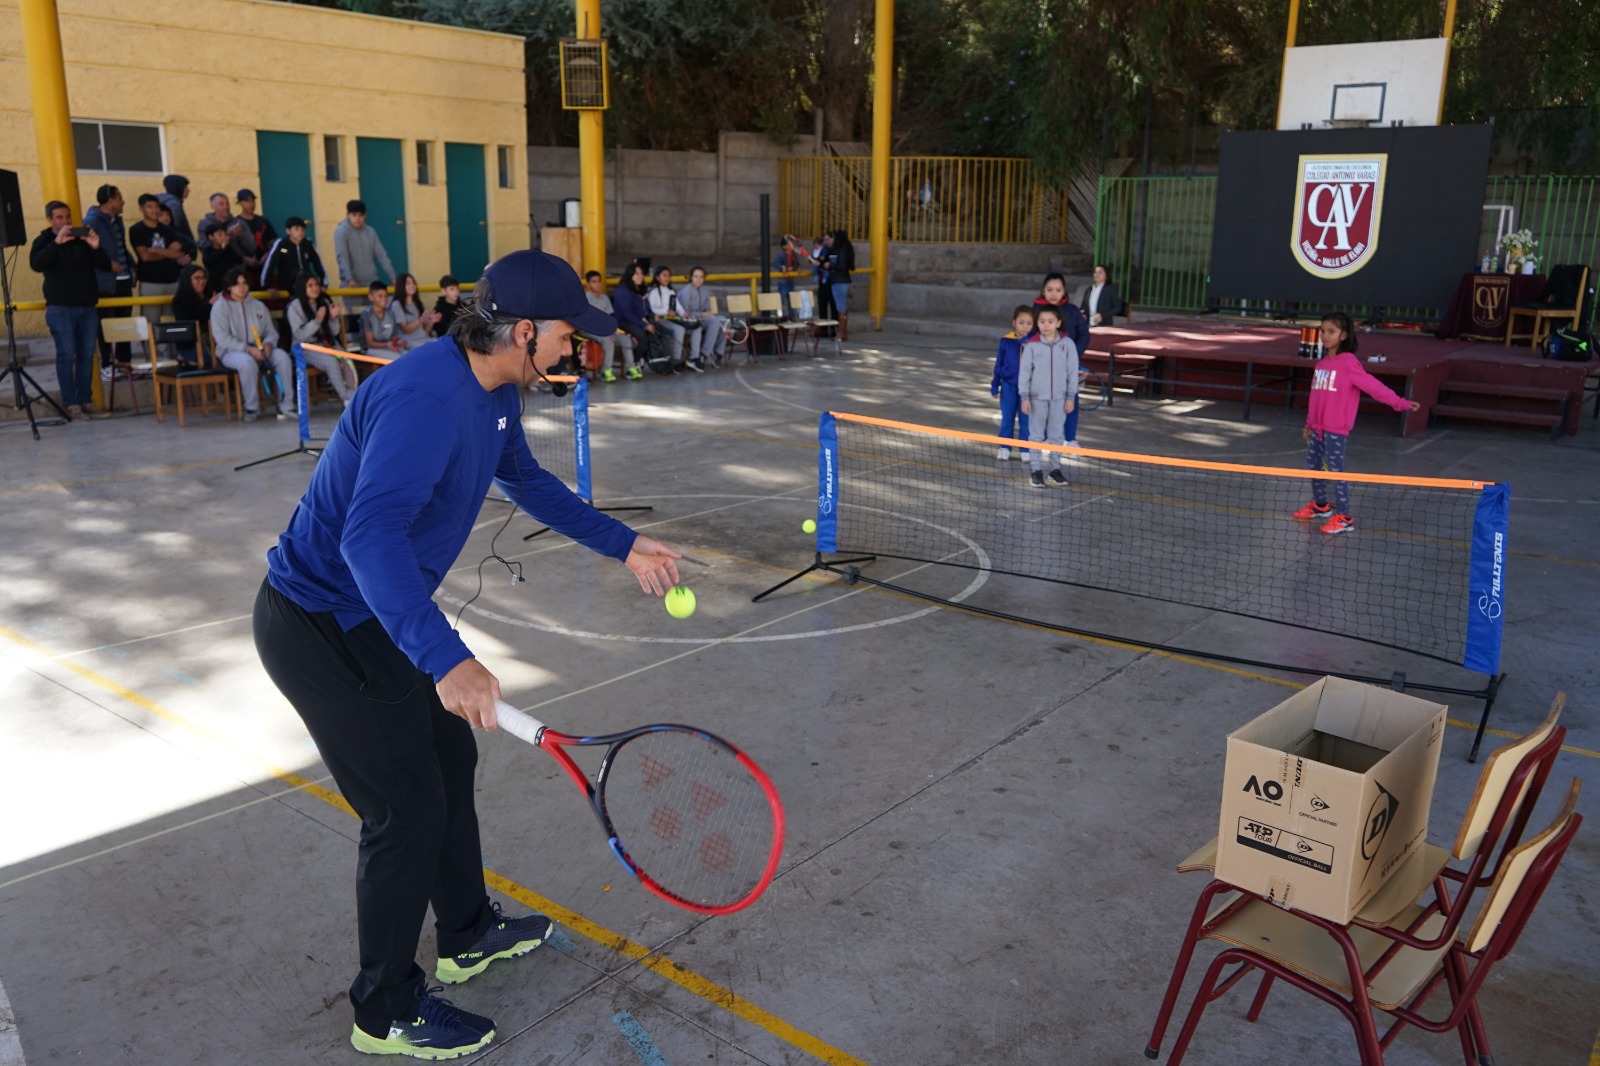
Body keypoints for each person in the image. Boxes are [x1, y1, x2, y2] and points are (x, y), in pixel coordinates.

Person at [252, 248, 683, 1060]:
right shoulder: (426, 400)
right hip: (318, 625)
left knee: (449, 758)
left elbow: (526, 480)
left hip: (371, 617)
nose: (574, 348)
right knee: (404, 809)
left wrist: (623, 545)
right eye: (565, 335)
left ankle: (467, 933)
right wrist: (448, 658)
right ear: (522, 332)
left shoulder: (489, 393)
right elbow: (368, 537)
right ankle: (383, 1010)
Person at [1293, 312, 1421, 536]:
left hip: (1336, 429)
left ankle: (1344, 517)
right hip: (1317, 428)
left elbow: (1375, 388)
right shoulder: (1321, 365)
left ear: (1343, 335)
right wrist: (1308, 424)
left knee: (1335, 470)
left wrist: (1400, 403)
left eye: (1330, 331)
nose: (1325, 335)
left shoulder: (1349, 364)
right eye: (1323, 330)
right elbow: (1315, 399)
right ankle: (1320, 505)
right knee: (1313, 464)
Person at [29, 200, 111, 420]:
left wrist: (96, 247)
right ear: (50, 219)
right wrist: (56, 243)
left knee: (87, 355)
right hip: (61, 308)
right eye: (59, 217)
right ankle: (71, 404)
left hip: (87, 306)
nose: (65, 221)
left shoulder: (82, 239)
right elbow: (36, 264)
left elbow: (104, 265)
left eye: (67, 217)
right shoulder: (44, 240)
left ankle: (86, 401)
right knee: (66, 355)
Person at [210, 266, 295, 421]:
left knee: (282, 357)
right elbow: (222, 338)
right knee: (247, 363)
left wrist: (269, 344)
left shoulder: (258, 305)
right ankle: (251, 408)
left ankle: (287, 405)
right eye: (237, 284)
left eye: (244, 283)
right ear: (229, 287)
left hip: (261, 348)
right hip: (231, 352)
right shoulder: (220, 307)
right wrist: (248, 349)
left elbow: (271, 332)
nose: (242, 287)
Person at [1018, 304, 1077, 488]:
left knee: (1057, 435)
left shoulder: (1068, 344)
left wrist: (1070, 397)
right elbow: (1025, 373)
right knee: (1035, 435)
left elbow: (1072, 372)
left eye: (1050, 321)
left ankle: (1055, 469)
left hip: (1060, 398)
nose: (1046, 325)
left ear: (1058, 323)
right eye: (1042, 321)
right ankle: (1036, 471)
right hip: (1036, 398)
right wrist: (1025, 397)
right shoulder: (1031, 345)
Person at [1032, 272, 1090, 447]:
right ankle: (1045, 437)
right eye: (1050, 289)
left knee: (1070, 401)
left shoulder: (1072, 311)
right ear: (1043, 290)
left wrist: (1073, 355)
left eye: (1058, 290)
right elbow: (1029, 338)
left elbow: (1084, 335)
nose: (1053, 293)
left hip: (1068, 366)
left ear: (1064, 291)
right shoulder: (1035, 311)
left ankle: (1070, 439)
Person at [84, 184, 135, 372]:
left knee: (123, 324)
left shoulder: (117, 221)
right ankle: (107, 365)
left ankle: (123, 363)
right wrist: (107, 264)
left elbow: (122, 247)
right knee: (105, 325)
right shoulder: (92, 220)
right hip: (105, 283)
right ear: (111, 200)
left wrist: (131, 266)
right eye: (119, 197)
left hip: (123, 281)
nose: (123, 202)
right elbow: (88, 249)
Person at [286, 272, 357, 406]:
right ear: (302, 288)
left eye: (316, 284)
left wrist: (332, 318)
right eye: (310, 286)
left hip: (325, 343)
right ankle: (345, 397)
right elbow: (300, 335)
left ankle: (353, 392)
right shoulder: (294, 307)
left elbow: (334, 331)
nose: (315, 288)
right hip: (305, 347)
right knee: (331, 362)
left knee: (345, 357)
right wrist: (318, 320)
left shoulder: (323, 302)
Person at [128, 192, 190, 334]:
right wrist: (166, 252)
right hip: (150, 282)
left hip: (172, 280)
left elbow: (176, 253)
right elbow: (145, 257)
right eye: (150, 207)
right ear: (141, 209)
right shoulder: (136, 230)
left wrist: (154, 250)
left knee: (175, 319)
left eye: (156, 207)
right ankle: (154, 353)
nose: (154, 210)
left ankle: (175, 351)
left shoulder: (167, 229)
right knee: (151, 322)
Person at [335, 199, 396, 318]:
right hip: (352, 286)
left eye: (361, 215)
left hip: (371, 284)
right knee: (356, 320)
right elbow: (342, 257)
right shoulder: (341, 231)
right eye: (354, 215)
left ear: (365, 216)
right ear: (347, 215)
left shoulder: (370, 232)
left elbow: (382, 255)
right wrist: (349, 279)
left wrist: (393, 277)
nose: (358, 218)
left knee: (375, 319)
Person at [990, 305, 1035, 461]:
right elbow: (999, 364)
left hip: (1028, 390)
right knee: (1007, 418)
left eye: (1029, 323)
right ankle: (1004, 447)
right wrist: (995, 385)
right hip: (1009, 386)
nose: (1025, 326)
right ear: (1014, 323)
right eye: (1021, 322)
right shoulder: (1006, 341)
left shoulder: (1035, 343)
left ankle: (1025, 449)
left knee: (1026, 420)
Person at [584, 270, 637, 382]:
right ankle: (605, 371)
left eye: (599, 281)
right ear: (588, 284)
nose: (597, 284)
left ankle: (630, 368)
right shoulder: (584, 299)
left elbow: (609, 318)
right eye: (594, 282)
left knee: (626, 339)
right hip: (588, 330)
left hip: (605, 330)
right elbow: (586, 321)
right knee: (608, 340)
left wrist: (611, 330)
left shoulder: (605, 298)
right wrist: (607, 332)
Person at [676, 267, 727, 368]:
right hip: (690, 320)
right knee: (714, 321)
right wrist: (702, 314)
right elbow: (685, 313)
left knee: (723, 320)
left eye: (701, 277)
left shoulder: (705, 290)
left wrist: (706, 313)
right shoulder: (686, 291)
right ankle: (703, 355)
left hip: (702, 319)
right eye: (696, 276)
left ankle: (718, 353)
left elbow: (707, 308)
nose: (698, 279)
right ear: (691, 277)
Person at [260, 216, 327, 292]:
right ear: (288, 231)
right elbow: (269, 265)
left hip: (307, 288)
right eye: (296, 229)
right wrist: (266, 286)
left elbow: (318, 264)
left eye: (302, 229)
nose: (300, 232)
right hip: (287, 288)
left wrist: (323, 284)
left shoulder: (308, 244)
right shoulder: (281, 244)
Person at [645, 265, 691, 371]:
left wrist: (683, 313)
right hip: (659, 319)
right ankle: (676, 359)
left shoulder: (671, 291)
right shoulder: (654, 292)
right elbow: (652, 308)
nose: (667, 278)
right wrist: (666, 312)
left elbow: (678, 306)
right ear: (657, 277)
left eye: (668, 276)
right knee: (679, 329)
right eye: (664, 275)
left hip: (671, 319)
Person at [169, 263, 214, 365]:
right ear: (188, 281)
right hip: (190, 345)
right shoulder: (180, 301)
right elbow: (190, 322)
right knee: (215, 359)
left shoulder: (210, 295)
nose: (201, 282)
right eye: (197, 278)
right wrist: (209, 306)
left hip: (214, 340)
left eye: (203, 278)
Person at [611, 262, 654, 368]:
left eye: (641, 273)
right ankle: (635, 362)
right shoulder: (623, 291)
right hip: (622, 321)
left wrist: (647, 318)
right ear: (630, 275)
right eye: (636, 273)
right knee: (642, 336)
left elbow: (643, 307)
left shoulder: (639, 289)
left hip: (635, 319)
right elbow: (627, 314)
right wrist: (644, 325)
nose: (640, 276)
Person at [391, 272, 439, 352]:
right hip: (409, 342)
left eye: (413, 283)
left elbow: (425, 331)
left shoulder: (418, 304)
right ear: (401, 286)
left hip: (424, 339)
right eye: (408, 283)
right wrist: (421, 320)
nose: (412, 286)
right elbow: (406, 330)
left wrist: (430, 323)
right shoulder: (396, 305)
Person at [233, 189, 276, 275]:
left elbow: (274, 242)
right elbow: (232, 248)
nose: (251, 204)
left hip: (265, 266)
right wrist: (244, 259)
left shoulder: (263, 221)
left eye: (253, 201)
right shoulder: (235, 223)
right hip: (244, 269)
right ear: (240, 203)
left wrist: (268, 255)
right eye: (247, 201)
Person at [821, 231, 855, 340]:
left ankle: (842, 333)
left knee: (841, 308)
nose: (828, 241)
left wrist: (831, 265)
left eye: (830, 238)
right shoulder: (834, 250)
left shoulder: (842, 250)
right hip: (836, 281)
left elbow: (842, 265)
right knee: (841, 308)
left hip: (840, 281)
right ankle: (842, 332)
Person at [361, 281, 403, 355]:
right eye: (380, 296)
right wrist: (387, 344)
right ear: (371, 297)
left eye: (386, 296)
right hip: (372, 349)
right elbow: (370, 343)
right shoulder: (366, 315)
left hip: (389, 347)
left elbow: (394, 336)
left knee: (407, 355)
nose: (384, 299)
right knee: (397, 359)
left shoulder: (391, 314)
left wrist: (398, 341)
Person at [201, 224, 243, 297]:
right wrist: (222, 249)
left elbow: (239, 260)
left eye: (225, 234)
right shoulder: (207, 250)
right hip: (216, 285)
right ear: (211, 237)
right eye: (220, 235)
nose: (223, 237)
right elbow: (207, 261)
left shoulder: (228, 248)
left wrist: (228, 248)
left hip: (230, 282)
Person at [158, 174, 193, 243]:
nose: (188, 190)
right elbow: (176, 228)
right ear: (178, 187)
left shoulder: (169, 201)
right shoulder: (174, 204)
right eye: (185, 187)